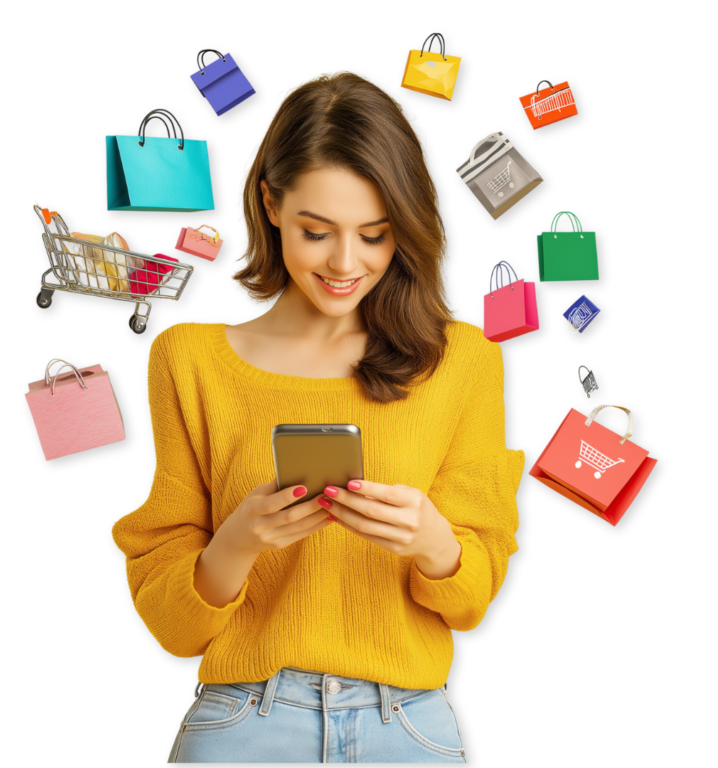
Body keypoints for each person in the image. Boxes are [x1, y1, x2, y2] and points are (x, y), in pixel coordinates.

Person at [110, 69, 525, 765]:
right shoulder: (189, 360)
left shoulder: (465, 361)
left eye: (375, 234)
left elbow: (472, 598)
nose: (343, 263)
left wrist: (433, 544)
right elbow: (171, 623)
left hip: (412, 725)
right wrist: (238, 542)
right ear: (271, 204)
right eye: (316, 231)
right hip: (243, 718)